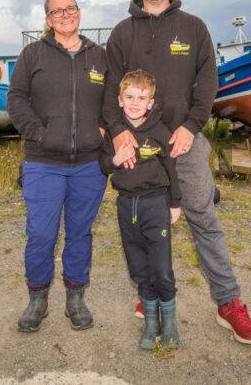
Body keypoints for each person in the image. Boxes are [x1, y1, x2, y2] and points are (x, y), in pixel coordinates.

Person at [102, 0, 251, 345]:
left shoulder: (194, 28)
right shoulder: (123, 33)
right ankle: (152, 295)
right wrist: (119, 131)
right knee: (145, 223)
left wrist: (192, 126)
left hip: (183, 142)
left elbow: (206, 83)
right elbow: (109, 90)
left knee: (202, 217)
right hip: (140, 148)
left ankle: (228, 303)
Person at [7, 0, 108, 333]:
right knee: (41, 234)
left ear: (79, 12)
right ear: (48, 19)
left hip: (89, 164)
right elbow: (16, 99)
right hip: (43, 162)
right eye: (57, 11)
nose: (65, 15)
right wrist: (39, 133)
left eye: (71, 8)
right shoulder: (32, 54)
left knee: (80, 233)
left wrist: (104, 130)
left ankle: (76, 298)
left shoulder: (101, 57)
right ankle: (37, 299)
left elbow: (113, 102)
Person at [100, 69, 182, 350]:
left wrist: (174, 203)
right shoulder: (115, 133)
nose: (135, 103)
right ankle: (151, 322)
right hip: (126, 205)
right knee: (138, 268)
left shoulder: (160, 131)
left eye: (141, 98)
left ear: (150, 102)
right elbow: (102, 164)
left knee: (161, 269)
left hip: (155, 204)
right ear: (120, 100)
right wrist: (115, 159)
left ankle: (169, 322)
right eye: (130, 97)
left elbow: (172, 169)